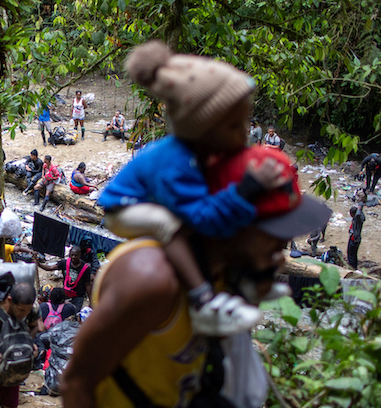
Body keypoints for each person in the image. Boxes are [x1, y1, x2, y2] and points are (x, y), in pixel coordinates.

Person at [61, 144, 329, 408]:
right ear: (233, 223)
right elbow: (76, 384)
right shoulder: (152, 281)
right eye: (275, 238)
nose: (282, 253)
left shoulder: (220, 274)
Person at [97, 40, 290, 336]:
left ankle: (247, 277)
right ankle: (202, 300)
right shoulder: (176, 162)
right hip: (125, 207)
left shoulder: (202, 153)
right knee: (171, 225)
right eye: (233, 127)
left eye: (244, 124)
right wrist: (246, 188)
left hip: (161, 199)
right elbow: (199, 215)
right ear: (201, 127)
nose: (243, 135)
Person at [36, 245, 94, 311]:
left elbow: (87, 284)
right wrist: (39, 264)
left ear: (80, 255)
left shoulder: (85, 268)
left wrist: (91, 300)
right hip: (66, 293)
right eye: (72, 255)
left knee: (74, 312)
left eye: (76, 255)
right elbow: (50, 268)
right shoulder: (65, 263)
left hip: (78, 296)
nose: (73, 257)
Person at [348, 203, 365, 269]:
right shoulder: (361, 217)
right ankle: (354, 267)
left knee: (351, 254)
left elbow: (358, 214)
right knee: (354, 254)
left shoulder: (357, 218)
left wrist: (359, 208)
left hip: (354, 239)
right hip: (355, 238)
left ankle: (352, 267)